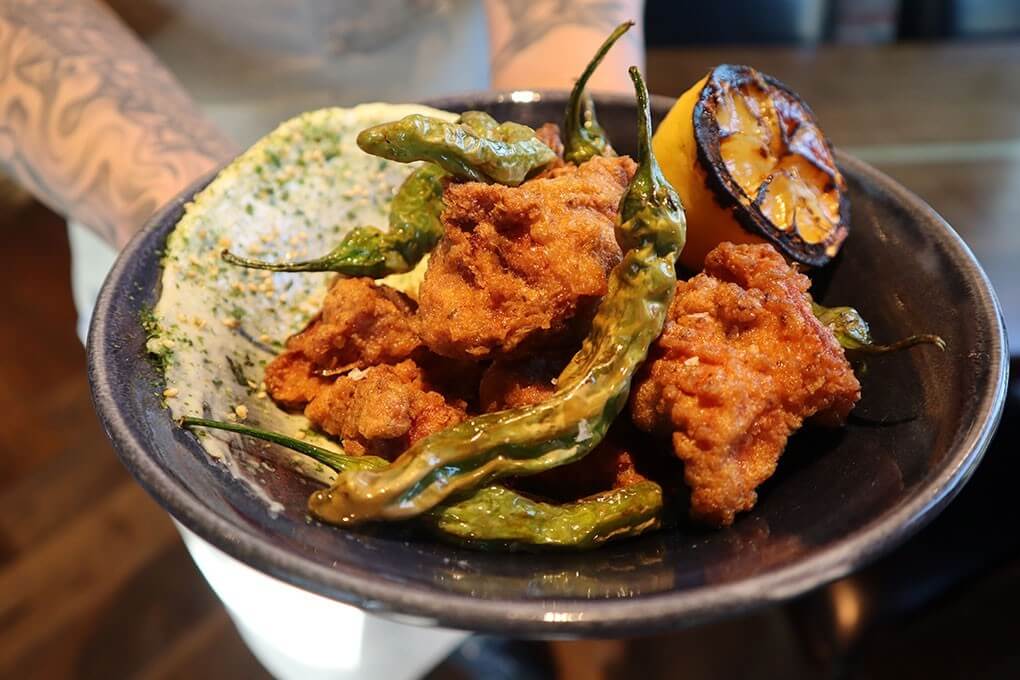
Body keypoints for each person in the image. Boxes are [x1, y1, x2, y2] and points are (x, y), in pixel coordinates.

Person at [0, 2, 645, 678]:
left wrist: (572, 175)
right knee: (318, 624)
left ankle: (486, 640)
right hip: (140, 133)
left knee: (492, 585)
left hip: (472, 87)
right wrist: (226, 228)